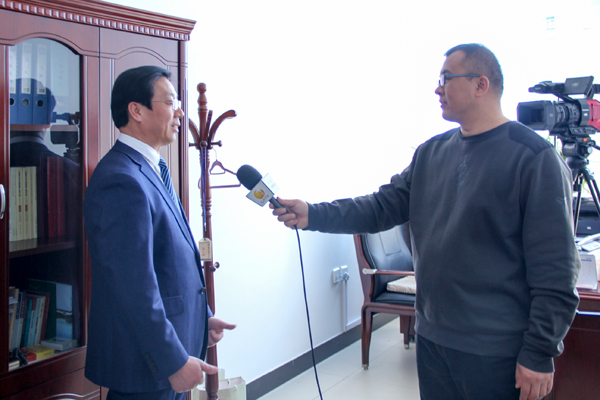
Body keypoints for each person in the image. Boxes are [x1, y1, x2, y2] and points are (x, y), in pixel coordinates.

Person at [272, 44, 580, 400]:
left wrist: (539, 351)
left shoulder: (534, 158)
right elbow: (380, 207)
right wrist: (312, 214)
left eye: (446, 79)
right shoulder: (431, 153)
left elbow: (556, 270)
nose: (437, 89)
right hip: (433, 339)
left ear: (481, 84)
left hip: (496, 350)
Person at [84, 66, 235, 400]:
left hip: (169, 351)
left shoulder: (152, 168)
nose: (180, 112)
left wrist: (202, 320)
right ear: (136, 111)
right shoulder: (120, 180)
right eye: (170, 102)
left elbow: (170, 262)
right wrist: (172, 360)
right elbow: (133, 286)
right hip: (146, 368)